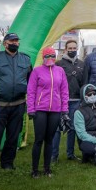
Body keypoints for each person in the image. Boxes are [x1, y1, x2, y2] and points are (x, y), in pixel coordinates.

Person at [0, 32, 33, 174]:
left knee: (13, 136)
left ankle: (7, 163)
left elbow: (31, 81)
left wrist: (30, 99)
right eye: (12, 41)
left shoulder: (26, 59)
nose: (15, 43)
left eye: (17, 41)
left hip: (19, 104)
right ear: (5, 43)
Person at [27, 47, 69, 178]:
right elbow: (31, 91)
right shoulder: (36, 71)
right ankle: (34, 170)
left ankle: (47, 168)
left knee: (49, 140)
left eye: (52, 55)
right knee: (39, 140)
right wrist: (31, 109)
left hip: (55, 110)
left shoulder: (60, 71)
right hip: (40, 110)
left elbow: (64, 91)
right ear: (43, 57)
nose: (50, 58)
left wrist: (64, 109)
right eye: (47, 55)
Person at [52, 39, 85, 163]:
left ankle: (70, 154)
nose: (72, 50)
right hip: (60, 101)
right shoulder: (59, 64)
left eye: (74, 48)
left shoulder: (82, 64)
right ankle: (54, 155)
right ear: (65, 49)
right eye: (69, 48)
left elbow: (83, 82)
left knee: (72, 128)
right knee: (57, 128)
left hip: (76, 100)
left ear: (77, 48)